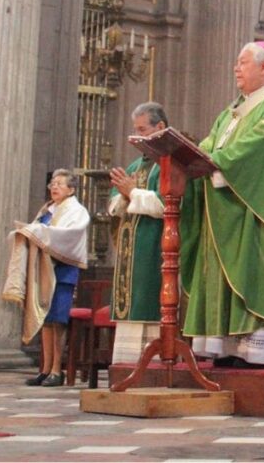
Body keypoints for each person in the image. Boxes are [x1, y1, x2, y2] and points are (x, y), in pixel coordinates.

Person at [180, 41, 264, 367]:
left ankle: (258, 350)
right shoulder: (233, 110)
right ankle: (227, 347)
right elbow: (209, 144)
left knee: (258, 267)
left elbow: (261, 145)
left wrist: (219, 162)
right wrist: (190, 156)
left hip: (259, 207)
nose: (235, 68)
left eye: (242, 62)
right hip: (224, 204)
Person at [2, 169, 90, 386]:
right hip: (43, 269)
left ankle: (57, 370)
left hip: (62, 270)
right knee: (45, 319)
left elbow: (69, 236)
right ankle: (45, 369)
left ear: (71, 189)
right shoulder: (47, 210)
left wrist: (38, 232)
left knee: (58, 320)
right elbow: (38, 232)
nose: (54, 187)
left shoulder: (77, 211)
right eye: (52, 183)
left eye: (60, 183)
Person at [107, 102, 169, 363]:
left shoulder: (169, 163)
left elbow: (168, 205)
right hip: (130, 255)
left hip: (154, 250)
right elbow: (114, 207)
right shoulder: (134, 166)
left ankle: (151, 366)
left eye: (142, 130)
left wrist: (132, 192)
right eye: (135, 130)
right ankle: (126, 367)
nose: (136, 136)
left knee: (149, 303)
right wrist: (124, 195)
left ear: (160, 127)